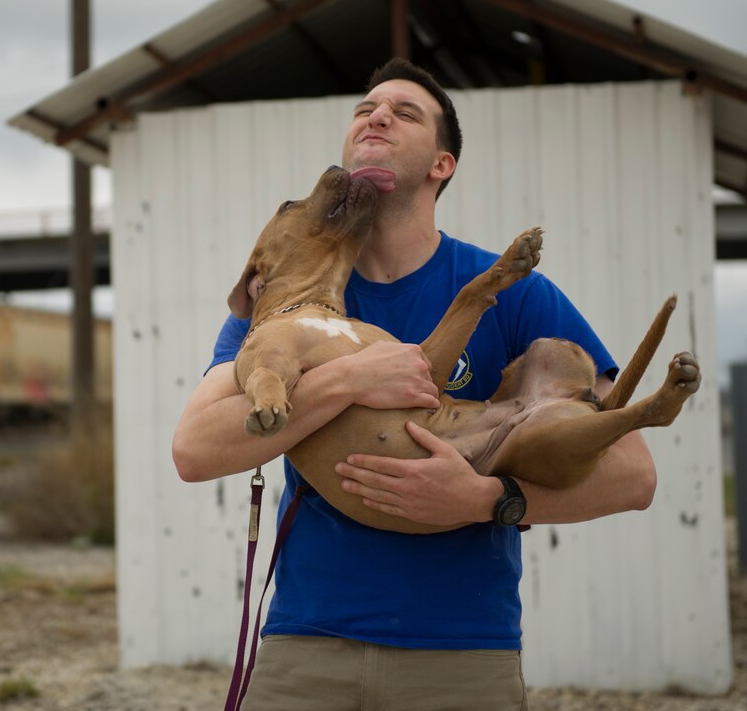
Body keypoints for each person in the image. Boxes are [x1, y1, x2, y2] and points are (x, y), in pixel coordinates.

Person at [171, 58, 657, 711]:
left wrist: (487, 499)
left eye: (405, 113)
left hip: (460, 654)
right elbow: (193, 450)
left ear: (442, 163)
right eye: (365, 109)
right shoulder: (286, 305)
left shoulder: (514, 291)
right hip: (305, 648)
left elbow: (635, 474)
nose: (376, 116)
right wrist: (347, 376)